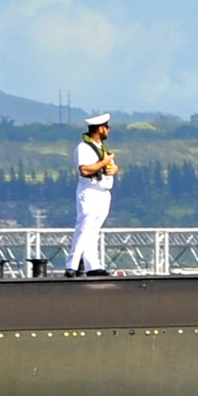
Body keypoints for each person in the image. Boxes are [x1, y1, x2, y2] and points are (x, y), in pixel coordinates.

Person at [66, 113, 117, 276]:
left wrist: (113, 168)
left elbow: (112, 166)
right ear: (100, 129)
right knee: (84, 227)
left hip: (103, 192)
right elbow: (85, 169)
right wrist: (103, 163)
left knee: (94, 230)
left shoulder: (102, 149)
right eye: (106, 128)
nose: (108, 131)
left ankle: (92, 265)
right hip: (90, 191)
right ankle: (72, 264)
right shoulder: (84, 148)